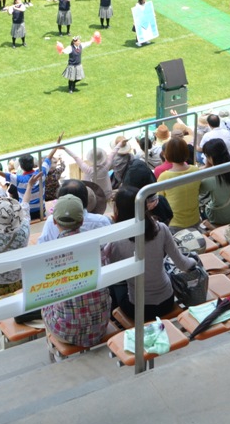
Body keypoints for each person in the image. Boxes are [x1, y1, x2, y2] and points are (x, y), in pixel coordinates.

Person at [105, 186, 198, 321]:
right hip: (167, 300)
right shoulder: (161, 228)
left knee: (116, 286)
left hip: (138, 308)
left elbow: (113, 275)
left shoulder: (117, 240)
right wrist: (194, 260)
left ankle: (112, 321)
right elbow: (183, 264)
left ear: (117, 210)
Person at [41, 195, 112, 347]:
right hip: (99, 325)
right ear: (81, 221)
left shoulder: (50, 255)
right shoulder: (97, 248)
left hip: (66, 331)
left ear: (54, 221)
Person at [198, 138, 230, 226]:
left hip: (220, 218)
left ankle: (207, 224)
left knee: (200, 203)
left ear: (210, 157)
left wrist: (206, 167)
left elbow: (197, 191)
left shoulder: (211, 179)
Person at [156, 137, 201, 229]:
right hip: (195, 221)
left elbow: (159, 201)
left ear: (167, 154)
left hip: (175, 225)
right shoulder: (196, 170)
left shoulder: (164, 177)